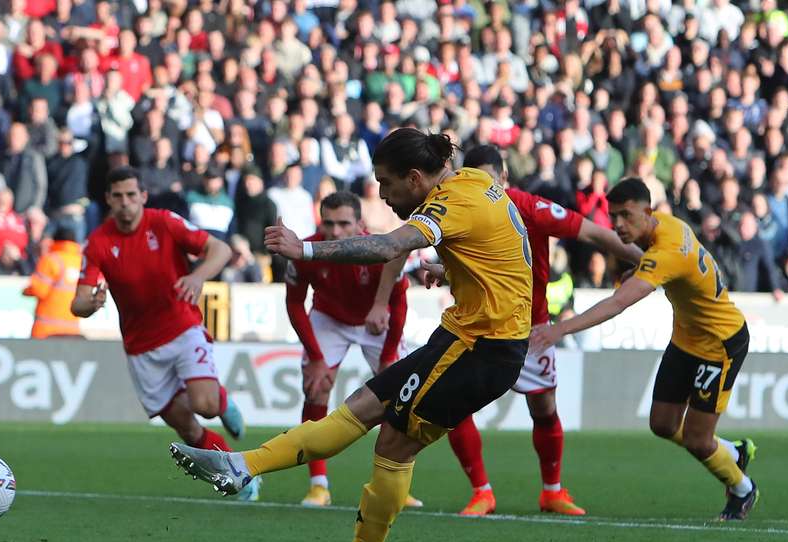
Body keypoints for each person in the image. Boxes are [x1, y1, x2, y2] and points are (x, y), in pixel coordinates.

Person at [170, 129, 533, 542]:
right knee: (360, 407)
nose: (383, 194)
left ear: (416, 177)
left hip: (482, 350)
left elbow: (386, 247)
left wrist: (303, 249)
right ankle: (243, 465)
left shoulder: (453, 200)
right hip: (464, 337)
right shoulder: (478, 183)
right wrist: (452, 267)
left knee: (393, 446)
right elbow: (503, 250)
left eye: (386, 183)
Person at [433, 145, 642, 516]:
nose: (485, 189)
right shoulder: (460, 208)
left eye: (491, 180)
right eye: (475, 181)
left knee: (543, 408)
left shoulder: (530, 207)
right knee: (454, 403)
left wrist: (654, 264)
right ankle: (482, 491)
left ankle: (552, 491)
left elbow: (594, 234)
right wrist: (442, 271)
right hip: (477, 325)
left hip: (531, 328)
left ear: (504, 178)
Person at [532, 178, 758, 521]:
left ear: (647, 212)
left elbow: (619, 302)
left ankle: (743, 488)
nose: (618, 225)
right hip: (686, 338)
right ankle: (732, 450)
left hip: (720, 343)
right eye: (613, 217)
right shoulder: (666, 226)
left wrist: (559, 329)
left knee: (699, 440)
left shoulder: (666, 252)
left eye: (626, 215)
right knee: (662, 424)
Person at [72, 166, 261, 501]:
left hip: (183, 328)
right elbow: (78, 303)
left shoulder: (164, 222)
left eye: (132, 195)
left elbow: (221, 250)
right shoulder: (99, 242)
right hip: (141, 349)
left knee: (203, 405)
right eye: (118, 196)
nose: (125, 203)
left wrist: (198, 276)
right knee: (188, 428)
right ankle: (239, 471)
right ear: (108, 200)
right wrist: (93, 303)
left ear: (143, 196)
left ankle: (221, 401)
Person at [285, 190, 419, 509]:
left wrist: (388, 356)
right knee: (316, 390)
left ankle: (393, 485)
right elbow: (293, 303)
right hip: (329, 319)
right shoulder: (306, 249)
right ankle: (319, 486)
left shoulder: (378, 251)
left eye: (344, 224)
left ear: (360, 224)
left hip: (377, 322)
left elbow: (399, 302)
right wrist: (316, 358)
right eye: (328, 224)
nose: (335, 232)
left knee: (400, 401)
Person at [23, 226, 83, 338]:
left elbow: (39, 290)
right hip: (72, 330)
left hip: (47, 329)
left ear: (55, 240)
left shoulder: (50, 260)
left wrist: (26, 291)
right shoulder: (80, 262)